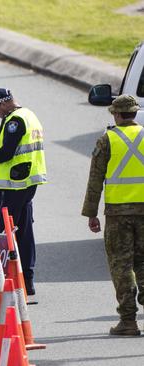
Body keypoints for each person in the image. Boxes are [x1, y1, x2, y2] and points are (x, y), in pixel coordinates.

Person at [0, 88, 47, 296]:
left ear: (4, 103)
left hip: (15, 184)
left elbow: (6, 153)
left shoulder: (15, 121)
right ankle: (26, 282)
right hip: (25, 182)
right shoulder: (29, 115)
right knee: (23, 231)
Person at [82, 94, 144, 336]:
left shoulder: (107, 139)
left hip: (119, 214)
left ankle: (128, 321)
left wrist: (91, 213)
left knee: (121, 265)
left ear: (117, 115)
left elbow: (95, 179)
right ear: (135, 113)